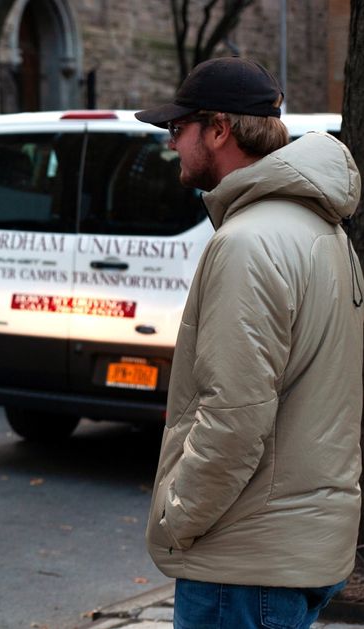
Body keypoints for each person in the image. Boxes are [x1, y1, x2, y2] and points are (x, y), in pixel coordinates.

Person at [134, 56, 363, 628]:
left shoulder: (248, 241)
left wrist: (179, 515)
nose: (170, 145)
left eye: (176, 129)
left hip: (245, 566)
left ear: (218, 129)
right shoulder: (323, 229)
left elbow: (234, 414)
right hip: (294, 548)